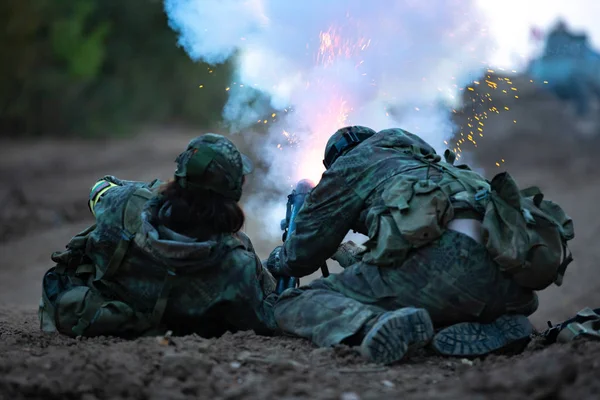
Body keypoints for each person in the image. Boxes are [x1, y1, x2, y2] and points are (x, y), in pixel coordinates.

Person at [267, 126, 574, 365]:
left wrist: (277, 260)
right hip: (510, 285)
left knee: (291, 303)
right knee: (428, 287)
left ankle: (373, 324)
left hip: (445, 270)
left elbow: (300, 257)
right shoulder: (423, 161)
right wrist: (343, 252)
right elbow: (399, 254)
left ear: (334, 160)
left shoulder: (345, 168)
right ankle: (497, 323)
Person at [39, 133, 278, 339]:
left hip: (97, 313)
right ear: (232, 191)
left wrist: (151, 190)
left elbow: (100, 188)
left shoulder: (128, 202)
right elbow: (263, 316)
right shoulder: (236, 261)